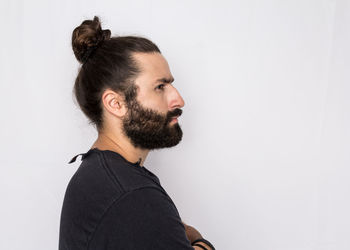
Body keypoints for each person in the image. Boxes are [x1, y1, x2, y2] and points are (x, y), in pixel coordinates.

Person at [59, 16, 215, 250]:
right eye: (160, 87)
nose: (178, 100)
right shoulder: (131, 195)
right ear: (116, 104)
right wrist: (200, 241)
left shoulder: (101, 174)